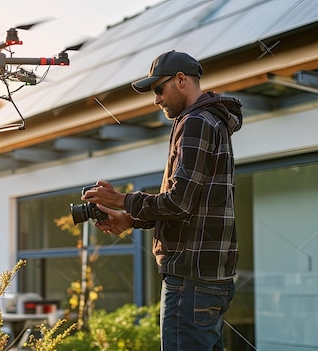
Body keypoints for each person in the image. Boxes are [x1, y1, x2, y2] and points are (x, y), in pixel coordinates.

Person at [82, 50, 243, 350]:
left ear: (181, 79)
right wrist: (130, 218)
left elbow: (179, 201)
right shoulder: (214, 121)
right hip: (209, 279)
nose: (156, 99)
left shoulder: (195, 121)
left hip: (189, 280)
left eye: (159, 89)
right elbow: (190, 203)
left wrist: (121, 200)